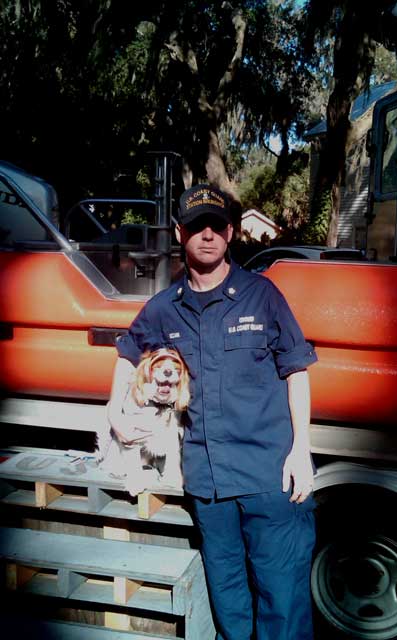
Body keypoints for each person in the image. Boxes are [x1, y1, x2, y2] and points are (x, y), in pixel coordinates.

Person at [108, 183, 318, 640]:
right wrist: (115, 411)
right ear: (181, 232)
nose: (208, 235)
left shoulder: (263, 296)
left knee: (282, 599)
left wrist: (302, 451)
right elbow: (128, 353)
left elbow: (296, 371)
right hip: (207, 482)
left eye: (217, 226)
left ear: (231, 233)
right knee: (227, 597)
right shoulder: (165, 308)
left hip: (269, 475)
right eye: (197, 226)